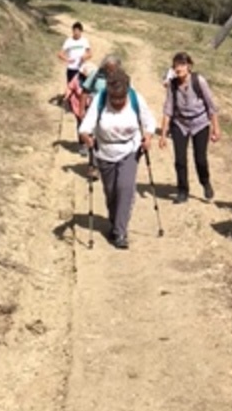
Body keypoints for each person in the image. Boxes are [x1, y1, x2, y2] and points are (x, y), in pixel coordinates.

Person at [78, 68, 155, 249]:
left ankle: (120, 232)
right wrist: (86, 138)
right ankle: (115, 222)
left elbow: (149, 122)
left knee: (125, 187)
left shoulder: (135, 98)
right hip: (105, 151)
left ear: (127, 91)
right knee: (111, 192)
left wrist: (148, 137)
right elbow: (85, 127)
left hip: (130, 149)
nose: (118, 102)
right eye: (114, 98)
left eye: (121, 98)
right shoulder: (100, 99)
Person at [158, 52, 221, 203]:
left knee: (200, 159)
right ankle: (182, 190)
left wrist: (216, 128)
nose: (178, 68)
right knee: (180, 160)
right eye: (175, 65)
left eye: (182, 65)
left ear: (189, 66)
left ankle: (205, 182)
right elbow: (168, 109)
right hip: (180, 124)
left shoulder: (198, 81)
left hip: (200, 123)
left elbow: (211, 105)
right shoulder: (172, 85)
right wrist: (163, 135)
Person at [58, 22, 91, 99]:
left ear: (81, 31)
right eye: (74, 31)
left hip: (81, 69)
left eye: (77, 31)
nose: (76, 33)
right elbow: (60, 54)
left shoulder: (85, 41)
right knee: (70, 88)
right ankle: (67, 101)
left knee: (81, 88)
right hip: (71, 69)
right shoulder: (68, 41)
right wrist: (67, 59)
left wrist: (84, 57)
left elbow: (90, 54)